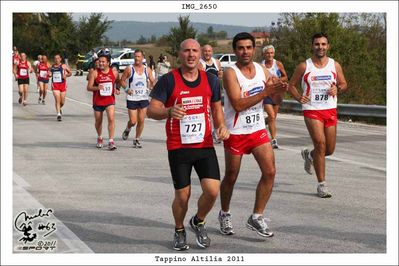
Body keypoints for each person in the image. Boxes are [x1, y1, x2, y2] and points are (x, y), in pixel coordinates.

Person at [147, 39, 229, 250]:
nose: (191, 55)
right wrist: (168, 111)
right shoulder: (168, 80)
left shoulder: (211, 80)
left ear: (200, 53)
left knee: (212, 191)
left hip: (204, 146)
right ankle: (179, 229)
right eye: (186, 51)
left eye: (195, 51)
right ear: (179, 54)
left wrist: (221, 126)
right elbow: (151, 109)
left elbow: (217, 109)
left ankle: (198, 221)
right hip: (178, 147)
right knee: (183, 196)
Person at [219, 32, 288, 237]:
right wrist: (266, 93)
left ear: (254, 49)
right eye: (241, 48)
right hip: (236, 132)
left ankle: (256, 217)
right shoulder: (230, 73)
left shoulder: (260, 69)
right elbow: (238, 104)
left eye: (249, 47)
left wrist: (281, 89)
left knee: (270, 172)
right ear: (234, 50)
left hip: (257, 129)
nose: (245, 51)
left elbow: (274, 94)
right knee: (231, 176)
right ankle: (224, 213)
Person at [288, 32, 347, 198]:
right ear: (312, 46)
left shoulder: (335, 65)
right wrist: (299, 97)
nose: (320, 47)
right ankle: (322, 185)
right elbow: (291, 85)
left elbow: (343, 83)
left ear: (328, 46)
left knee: (329, 149)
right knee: (320, 144)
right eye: (317, 44)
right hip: (311, 109)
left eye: (323, 44)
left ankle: (310, 155)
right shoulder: (304, 66)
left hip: (330, 109)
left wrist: (338, 89)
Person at [120, 49, 155, 148]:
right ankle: (128, 128)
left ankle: (137, 139)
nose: (136, 58)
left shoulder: (147, 69)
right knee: (133, 121)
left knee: (141, 120)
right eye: (135, 56)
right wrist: (127, 89)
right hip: (132, 98)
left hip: (143, 98)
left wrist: (153, 86)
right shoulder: (129, 69)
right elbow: (122, 81)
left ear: (143, 58)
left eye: (138, 56)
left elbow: (152, 81)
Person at [87, 50, 120, 150]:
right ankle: (100, 137)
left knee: (111, 118)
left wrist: (117, 88)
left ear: (108, 63)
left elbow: (118, 81)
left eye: (103, 62)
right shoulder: (95, 73)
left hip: (109, 100)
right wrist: (98, 88)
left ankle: (111, 141)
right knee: (98, 121)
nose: (101, 63)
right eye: (100, 61)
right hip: (98, 101)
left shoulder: (114, 72)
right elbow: (89, 87)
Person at [261, 45, 288, 149]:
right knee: (271, 116)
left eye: (272, 53)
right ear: (264, 54)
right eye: (268, 53)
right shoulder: (261, 65)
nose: (270, 55)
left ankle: (262, 123)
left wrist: (279, 79)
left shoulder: (278, 64)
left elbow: (286, 77)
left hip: (277, 94)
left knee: (273, 118)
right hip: (266, 93)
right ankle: (273, 140)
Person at [198, 44, 224, 144]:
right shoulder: (200, 63)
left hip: (216, 90)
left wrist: (221, 75)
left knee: (218, 113)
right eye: (205, 51)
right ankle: (206, 133)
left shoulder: (216, 62)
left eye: (209, 51)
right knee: (207, 114)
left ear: (212, 52)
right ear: (202, 52)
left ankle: (216, 133)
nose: (207, 53)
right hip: (205, 92)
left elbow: (220, 74)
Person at [51, 54, 72, 121]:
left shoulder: (64, 66)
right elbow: (49, 73)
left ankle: (59, 108)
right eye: (55, 58)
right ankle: (58, 114)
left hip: (62, 85)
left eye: (58, 58)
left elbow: (70, 73)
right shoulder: (52, 67)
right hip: (55, 85)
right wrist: (48, 75)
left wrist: (66, 75)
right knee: (57, 99)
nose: (56, 60)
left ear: (60, 59)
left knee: (62, 101)